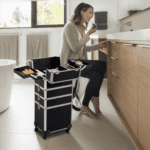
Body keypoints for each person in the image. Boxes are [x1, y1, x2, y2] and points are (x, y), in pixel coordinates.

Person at [60, 2, 107, 119]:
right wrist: (89, 34)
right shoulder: (69, 26)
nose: (91, 15)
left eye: (92, 13)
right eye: (90, 12)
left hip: (79, 62)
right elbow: (75, 47)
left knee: (97, 73)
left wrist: (99, 45)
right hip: (69, 64)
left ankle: (86, 103)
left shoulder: (82, 27)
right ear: (82, 12)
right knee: (101, 65)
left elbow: (83, 47)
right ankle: (92, 98)